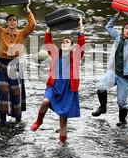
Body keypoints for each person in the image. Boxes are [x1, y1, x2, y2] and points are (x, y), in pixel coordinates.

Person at [30, 15, 86, 143]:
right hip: (54, 86)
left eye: (67, 42)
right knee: (45, 101)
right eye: (63, 42)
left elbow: (82, 41)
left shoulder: (76, 56)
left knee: (63, 121)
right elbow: (48, 42)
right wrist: (49, 27)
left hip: (68, 90)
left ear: (72, 46)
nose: (65, 43)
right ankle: (39, 121)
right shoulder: (55, 54)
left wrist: (80, 24)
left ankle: (62, 142)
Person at [91, 10, 128, 126]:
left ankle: (122, 121)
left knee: (122, 102)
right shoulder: (118, 37)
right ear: (122, 31)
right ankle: (102, 108)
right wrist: (118, 15)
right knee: (101, 87)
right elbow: (108, 27)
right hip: (113, 72)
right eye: (126, 28)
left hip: (125, 77)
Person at [0, 0, 36, 125]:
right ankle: (2, 121)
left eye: (14, 20)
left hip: (15, 65)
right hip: (2, 64)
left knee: (16, 92)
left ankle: (18, 119)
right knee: (3, 92)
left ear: (17, 23)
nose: (12, 22)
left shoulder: (21, 33)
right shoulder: (1, 32)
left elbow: (32, 25)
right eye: (10, 20)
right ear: (6, 23)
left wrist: (27, 9)